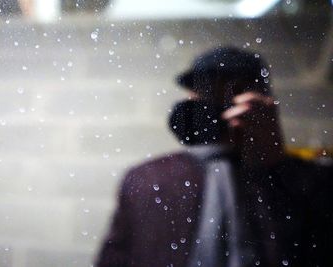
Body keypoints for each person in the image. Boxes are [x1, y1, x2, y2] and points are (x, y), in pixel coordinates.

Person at [95, 47, 333, 267]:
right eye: (200, 95)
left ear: (259, 103)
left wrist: (275, 161)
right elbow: (115, 259)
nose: (207, 107)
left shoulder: (309, 181)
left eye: (226, 94)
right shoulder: (147, 178)